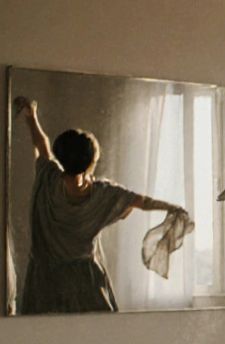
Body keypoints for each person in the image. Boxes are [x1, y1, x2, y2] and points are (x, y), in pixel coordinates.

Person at [13, 96, 187, 314]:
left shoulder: (48, 178)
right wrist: (171, 207)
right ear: (91, 162)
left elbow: (40, 144)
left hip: (45, 282)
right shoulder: (102, 194)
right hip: (85, 282)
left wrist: (31, 116)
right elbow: (142, 201)